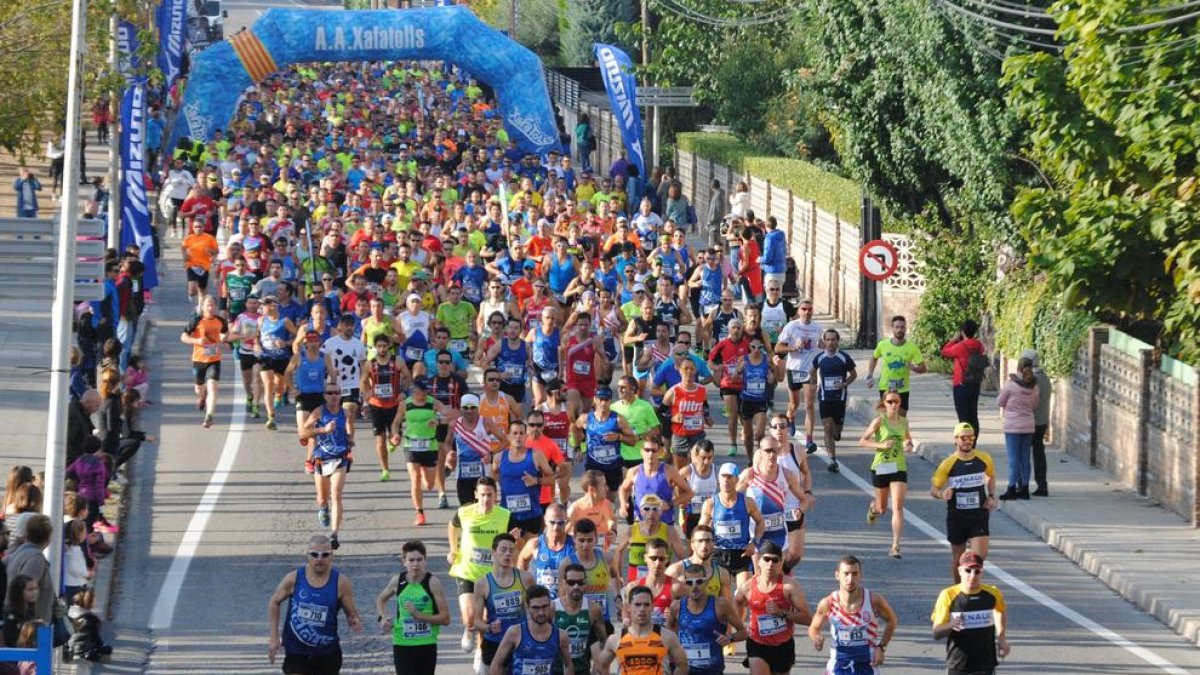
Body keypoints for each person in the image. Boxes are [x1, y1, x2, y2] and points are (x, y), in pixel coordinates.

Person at [267, 534, 364, 674]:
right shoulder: (293, 578)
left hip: (327, 653)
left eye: (325, 555)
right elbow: (274, 602)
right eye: (315, 554)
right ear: (307, 555)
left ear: (331, 556)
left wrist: (354, 619)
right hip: (297, 653)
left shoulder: (341, 583)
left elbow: (351, 612)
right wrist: (274, 636)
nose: (319, 559)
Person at [447, 477, 519, 653]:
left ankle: (480, 652)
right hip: (468, 572)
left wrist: (516, 539)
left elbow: (515, 539)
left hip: (492, 576)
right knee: (470, 617)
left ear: (496, 496)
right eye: (483, 495)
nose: (486, 499)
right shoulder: (464, 512)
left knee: (486, 619)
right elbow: (452, 526)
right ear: (476, 495)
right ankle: (468, 629)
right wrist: (452, 549)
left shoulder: (506, 515)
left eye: (490, 495)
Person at [807, 555, 898, 675]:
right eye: (846, 574)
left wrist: (881, 647)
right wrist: (816, 638)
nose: (850, 579)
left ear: (860, 575)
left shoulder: (873, 600)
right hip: (838, 665)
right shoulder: (828, 603)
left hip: (868, 665)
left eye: (855, 574)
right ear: (837, 575)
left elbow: (892, 621)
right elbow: (813, 628)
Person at [930, 423, 998, 582]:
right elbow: (933, 490)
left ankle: (972, 589)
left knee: (977, 560)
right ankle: (958, 590)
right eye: (963, 438)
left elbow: (991, 476)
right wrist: (942, 494)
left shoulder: (984, 458)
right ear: (956, 440)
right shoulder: (948, 463)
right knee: (959, 560)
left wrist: (992, 495)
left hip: (978, 515)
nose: (968, 441)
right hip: (957, 517)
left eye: (971, 438)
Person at [733, 541, 811, 675]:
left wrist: (781, 613)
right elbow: (737, 602)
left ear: (781, 563)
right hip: (757, 644)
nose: (770, 564)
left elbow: (808, 619)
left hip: (783, 646)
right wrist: (740, 626)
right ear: (759, 562)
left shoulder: (790, 586)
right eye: (767, 559)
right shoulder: (748, 586)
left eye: (775, 560)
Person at [374, 540, 451, 675]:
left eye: (419, 560)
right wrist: (383, 617)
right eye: (411, 560)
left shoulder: (433, 583)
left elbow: (445, 619)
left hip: (426, 643)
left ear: (425, 561)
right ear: (404, 561)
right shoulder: (397, 581)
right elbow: (380, 599)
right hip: (402, 643)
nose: (415, 564)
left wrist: (418, 615)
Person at [931, 551, 1010, 675]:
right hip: (958, 665)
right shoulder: (948, 595)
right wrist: (951, 625)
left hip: (985, 664)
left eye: (977, 571)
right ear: (960, 571)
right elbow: (936, 633)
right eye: (968, 570)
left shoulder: (993, 593)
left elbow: (1000, 611)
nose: (972, 575)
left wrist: (1001, 638)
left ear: (981, 572)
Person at [858, 393, 914, 559]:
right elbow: (862, 441)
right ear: (884, 403)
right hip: (881, 466)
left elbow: (907, 439)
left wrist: (908, 445)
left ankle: (895, 546)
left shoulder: (904, 422)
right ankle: (873, 508)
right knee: (882, 508)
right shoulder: (879, 421)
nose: (893, 405)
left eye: (896, 401)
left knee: (897, 506)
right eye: (890, 402)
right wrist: (881, 445)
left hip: (899, 466)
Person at [666, 561, 747, 675]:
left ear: (707, 581)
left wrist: (730, 638)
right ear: (684, 584)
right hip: (684, 670)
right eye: (690, 582)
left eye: (699, 581)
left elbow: (743, 632)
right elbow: (669, 635)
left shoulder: (720, 605)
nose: (694, 586)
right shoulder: (676, 606)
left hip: (712, 671)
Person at [300, 383, 355, 549]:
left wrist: (350, 441)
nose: (334, 396)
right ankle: (323, 508)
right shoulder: (318, 412)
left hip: (339, 458)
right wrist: (323, 430)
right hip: (321, 459)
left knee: (336, 495)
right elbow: (303, 432)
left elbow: (350, 432)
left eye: (337, 393)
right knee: (323, 499)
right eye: (330, 393)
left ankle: (334, 535)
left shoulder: (345, 413)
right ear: (325, 395)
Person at [594, 584, 689, 675]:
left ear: (652, 607)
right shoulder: (615, 640)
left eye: (646, 604)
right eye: (637, 604)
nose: (642, 609)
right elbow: (601, 666)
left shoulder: (668, 637)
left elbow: (683, 665)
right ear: (629, 608)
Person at [473, 533, 534, 673]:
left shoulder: (526, 578)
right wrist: (488, 628)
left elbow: (536, 608)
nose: (508, 554)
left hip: (520, 642)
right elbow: (476, 621)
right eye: (503, 550)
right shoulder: (482, 584)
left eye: (511, 550)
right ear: (494, 552)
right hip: (494, 642)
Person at [699, 462, 763, 588]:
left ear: (737, 480)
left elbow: (760, 522)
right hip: (719, 553)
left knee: (743, 595)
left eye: (730, 477)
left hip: (741, 553)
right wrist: (703, 548)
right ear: (718, 478)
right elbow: (700, 530)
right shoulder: (710, 504)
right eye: (723, 476)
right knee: (723, 596)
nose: (726, 480)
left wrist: (754, 542)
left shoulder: (747, 502)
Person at [397, 378, 450, 526]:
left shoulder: (432, 403)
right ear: (415, 391)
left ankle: (425, 474)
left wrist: (438, 421)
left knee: (429, 484)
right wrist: (395, 435)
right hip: (411, 446)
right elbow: (396, 422)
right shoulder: (405, 404)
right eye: (422, 391)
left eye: (427, 391)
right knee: (415, 480)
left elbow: (449, 415)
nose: (425, 393)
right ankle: (419, 513)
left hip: (429, 446)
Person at [488, 584, 574, 675]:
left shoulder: (560, 635)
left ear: (550, 605)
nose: (541, 612)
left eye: (544, 607)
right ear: (528, 607)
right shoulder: (515, 632)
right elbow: (496, 665)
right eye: (535, 608)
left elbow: (568, 665)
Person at [495, 420, 555, 543]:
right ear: (508, 436)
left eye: (521, 433)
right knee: (510, 551)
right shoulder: (499, 458)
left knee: (531, 552)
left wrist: (536, 480)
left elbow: (552, 479)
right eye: (515, 433)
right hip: (508, 515)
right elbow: (494, 476)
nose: (518, 437)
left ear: (526, 435)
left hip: (531, 514)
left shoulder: (535, 455)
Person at [775, 298, 822, 451]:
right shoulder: (791, 327)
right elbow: (778, 347)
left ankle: (809, 440)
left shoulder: (818, 328)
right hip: (794, 368)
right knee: (794, 404)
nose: (807, 312)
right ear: (799, 311)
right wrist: (793, 348)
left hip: (810, 370)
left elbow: (821, 346)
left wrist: (822, 347)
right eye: (804, 309)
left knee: (809, 405)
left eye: (810, 309)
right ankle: (791, 417)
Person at [809, 329, 857, 472]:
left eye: (833, 340)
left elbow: (853, 374)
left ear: (837, 341)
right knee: (827, 426)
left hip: (839, 398)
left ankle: (839, 428)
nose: (830, 342)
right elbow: (812, 370)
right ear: (824, 342)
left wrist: (844, 384)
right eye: (828, 340)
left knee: (836, 429)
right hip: (824, 397)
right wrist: (813, 383)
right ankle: (832, 460)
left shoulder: (844, 357)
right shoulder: (819, 358)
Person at [574, 386, 637, 493]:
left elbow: (633, 441)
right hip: (593, 466)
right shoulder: (586, 418)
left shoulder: (618, 420)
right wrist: (578, 448)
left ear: (610, 401)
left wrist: (618, 437)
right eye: (600, 399)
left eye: (606, 400)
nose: (603, 403)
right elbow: (574, 427)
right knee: (592, 495)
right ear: (595, 400)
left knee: (610, 499)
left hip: (612, 467)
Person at [618, 437, 692, 528]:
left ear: (659, 452)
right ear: (642, 451)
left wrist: (670, 504)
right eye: (647, 450)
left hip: (664, 523)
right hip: (641, 524)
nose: (650, 454)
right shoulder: (634, 471)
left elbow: (689, 493)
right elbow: (624, 489)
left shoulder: (669, 471)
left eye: (654, 450)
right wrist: (623, 503)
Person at [180, 295, 229, 428]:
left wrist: (223, 339)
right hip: (199, 359)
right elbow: (183, 336)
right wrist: (196, 341)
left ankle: (209, 417)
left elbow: (225, 333)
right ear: (202, 307)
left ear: (216, 307)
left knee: (213, 386)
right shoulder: (196, 320)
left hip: (215, 359)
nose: (210, 308)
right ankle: (202, 396)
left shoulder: (221, 321)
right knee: (199, 388)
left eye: (212, 305)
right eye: (207, 305)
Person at [997, 356, 1040, 501]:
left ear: (1018, 368)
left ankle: (1011, 487)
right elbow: (1035, 405)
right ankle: (1025, 488)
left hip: (1013, 426)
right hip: (1028, 425)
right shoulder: (1034, 386)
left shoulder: (1011, 385)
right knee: (1025, 458)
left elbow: (1000, 402)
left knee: (1013, 458)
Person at [864, 315, 927, 414]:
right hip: (885, 387)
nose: (899, 330)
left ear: (905, 328)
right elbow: (874, 358)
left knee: (901, 419)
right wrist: (870, 375)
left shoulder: (912, 347)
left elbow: (923, 368)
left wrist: (913, 367)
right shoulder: (883, 345)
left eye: (902, 327)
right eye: (897, 327)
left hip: (903, 388)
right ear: (892, 328)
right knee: (887, 418)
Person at [616, 495, 687, 582]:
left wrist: (680, 577)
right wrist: (619, 576)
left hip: (662, 583)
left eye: (655, 509)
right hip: (635, 584)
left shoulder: (670, 531)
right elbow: (618, 551)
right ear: (641, 512)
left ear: (660, 512)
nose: (651, 513)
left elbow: (682, 557)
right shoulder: (631, 530)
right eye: (646, 509)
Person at [555, 562, 607, 675]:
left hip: (582, 671)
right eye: (571, 582)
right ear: (564, 583)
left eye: (580, 582)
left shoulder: (594, 609)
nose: (576, 586)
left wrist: (598, 666)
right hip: (556, 671)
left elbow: (603, 641)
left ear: (585, 583)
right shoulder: (552, 608)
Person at [518, 505, 576, 601]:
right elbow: (522, 558)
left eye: (561, 523)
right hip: (541, 603)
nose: (556, 527)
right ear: (545, 520)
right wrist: (526, 585)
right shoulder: (535, 544)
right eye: (552, 522)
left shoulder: (574, 546)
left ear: (567, 522)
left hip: (565, 603)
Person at [941, 319, 987, 439]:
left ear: (962, 332)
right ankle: (973, 442)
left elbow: (944, 351)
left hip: (961, 384)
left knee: (963, 417)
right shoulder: (978, 345)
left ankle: (965, 443)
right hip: (975, 383)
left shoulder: (960, 346)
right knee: (973, 415)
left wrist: (955, 339)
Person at [1023, 349, 1053, 496]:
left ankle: (1023, 484)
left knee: (1023, 454)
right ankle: (1042, 484)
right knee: (1039, 452)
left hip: (1030, 421)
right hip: (1042, 421)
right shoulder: (1045, 377)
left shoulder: (1031, 379)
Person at [678, 440, 718, 538]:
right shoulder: (688, 471)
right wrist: (681, 501)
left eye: (710, 458)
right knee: (693, 544)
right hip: (691, 513)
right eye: (703, 457)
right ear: (696, 455)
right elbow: (672, 483)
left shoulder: (717, 470)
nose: (706, 461)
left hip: (710, 513)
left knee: (709, 542)